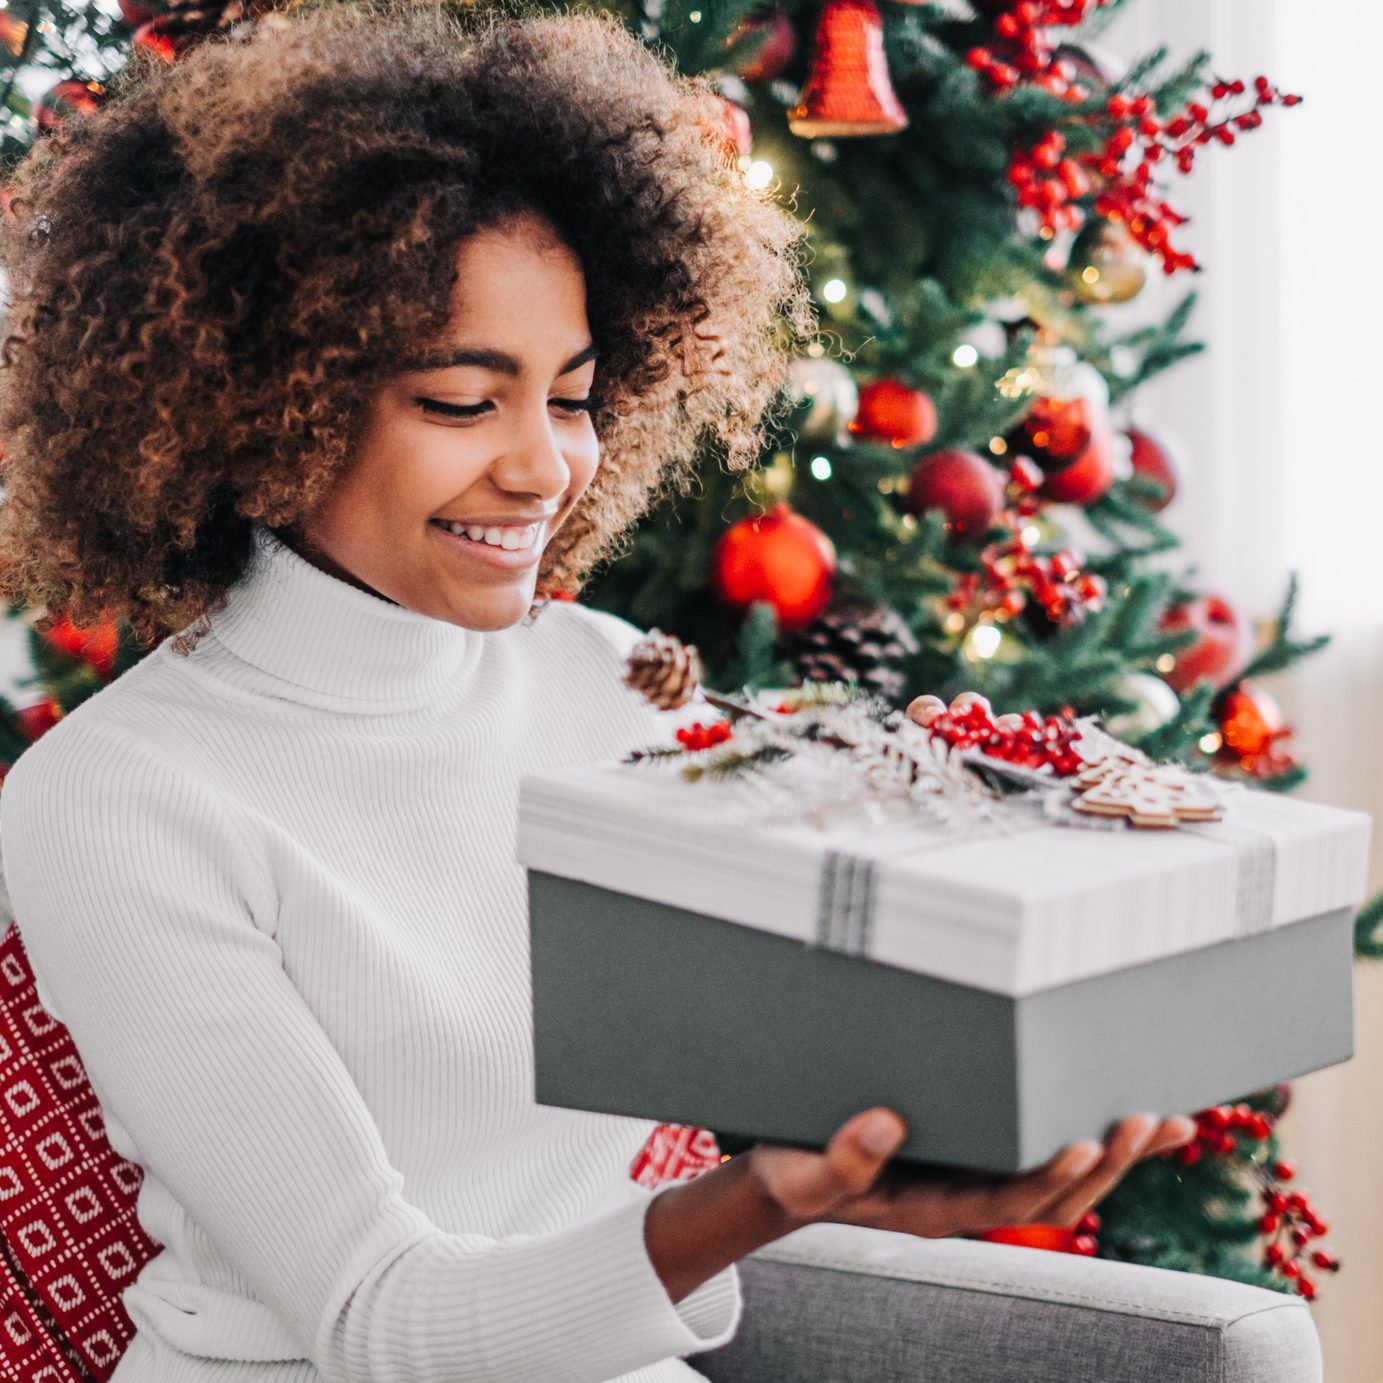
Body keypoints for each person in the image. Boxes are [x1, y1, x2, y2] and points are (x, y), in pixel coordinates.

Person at [0, 2, 1196, 1379]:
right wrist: (759, 1200)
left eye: (569, 398)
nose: (541, 471)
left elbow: (812, 1039)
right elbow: (380, 1319)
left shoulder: (607, 679)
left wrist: (930, 1106)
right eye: (463, 402)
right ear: (265, 406)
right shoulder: (115, 796)